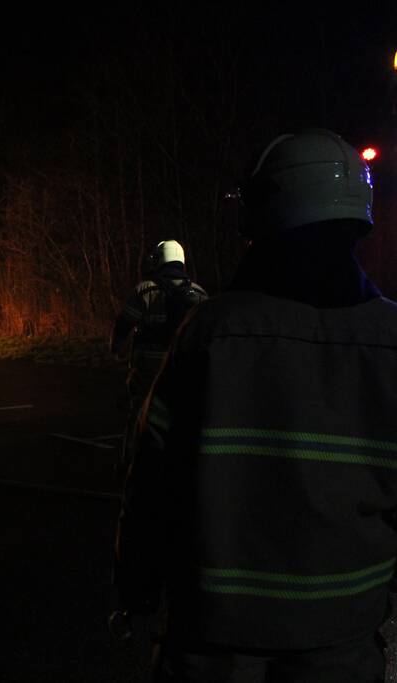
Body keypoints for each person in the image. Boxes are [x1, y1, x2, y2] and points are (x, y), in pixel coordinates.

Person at [114, 129, 397, 681]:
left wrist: (136, 589)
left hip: (213, 643)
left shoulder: (211, 333)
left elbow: (152, 482)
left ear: (261, 214)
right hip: (342, 642)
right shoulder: (392, 339)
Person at [111, 240, 207, 466]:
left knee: (139, 413)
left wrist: (115, 349)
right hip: (184, 367)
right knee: (182, 416)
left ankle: (131, 464)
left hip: (148, 368)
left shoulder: (145, 290)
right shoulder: (200, 293)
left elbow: (124, 323)